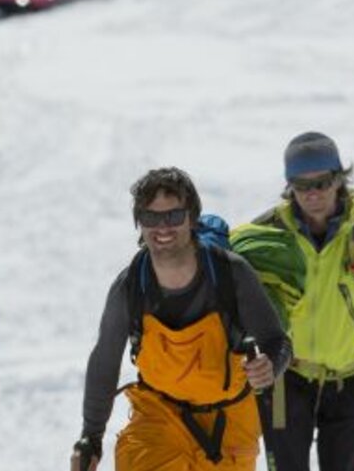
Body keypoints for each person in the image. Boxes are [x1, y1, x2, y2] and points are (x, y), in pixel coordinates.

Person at [73, 167, 292, 471]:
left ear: (191, 218)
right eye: (151, 218)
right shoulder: (131, 286)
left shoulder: (232, 274)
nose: (163, 228)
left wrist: (271, 365)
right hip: (158, 415)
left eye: (174, 216)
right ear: (140, 224)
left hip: (229, 424)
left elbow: (276, 340)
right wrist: (91, 437)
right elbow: (105, 362)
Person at [227, 132, 354, 471]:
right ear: (290, 187)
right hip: (287, 376)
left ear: (339, 180)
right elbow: (225, 281)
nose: (313, 194)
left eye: (323, 182)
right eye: (302, 186)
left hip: (351, 380)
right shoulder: (269, 236)